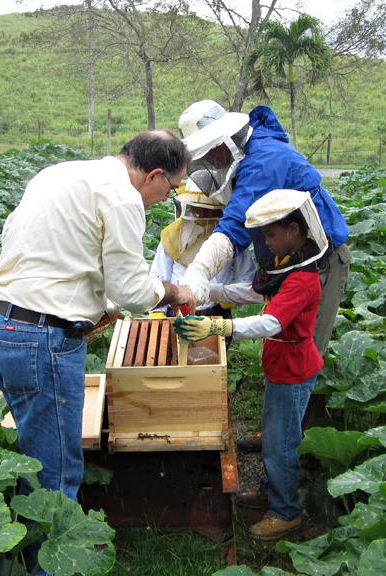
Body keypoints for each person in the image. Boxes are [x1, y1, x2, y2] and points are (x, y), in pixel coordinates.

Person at [0, 130, 195, 575]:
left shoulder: (61, 174)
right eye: (170, 189)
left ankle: (18, 553)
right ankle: (49, 567)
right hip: (43, 343)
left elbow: (56, 254)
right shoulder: (122, 199)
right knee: (56, 476)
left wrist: (100, 304)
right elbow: (134, 290)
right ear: (153, 175)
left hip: (0, 328)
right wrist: (171, 289)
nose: (164, 198)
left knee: (33, 458)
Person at [175, 100, 352, 453]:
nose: (211, 163)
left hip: (320, 265)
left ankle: (294, 450)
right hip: (288, 261)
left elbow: (234, 228)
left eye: (212, 154)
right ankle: (281, 433)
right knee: (289, 352)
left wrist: (197, 275)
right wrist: (212, 287)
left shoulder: (263, 161)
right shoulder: (254, 153)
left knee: (305, 355)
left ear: (227, 142)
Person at [174, 189, 327, 541]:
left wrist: (218, 326)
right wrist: (208, 292)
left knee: (280, 443)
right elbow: (251, 292)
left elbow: (270, 323)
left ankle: (286, 512)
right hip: (284, 367)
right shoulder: (288, 266)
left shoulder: (302, 279)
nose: (266, 243)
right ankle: (267, 490)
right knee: (276, 432)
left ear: (293, 230)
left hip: (293, 371)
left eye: (270, 235)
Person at [147, 169, 262, 326]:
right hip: (176, 312)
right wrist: (157, 312)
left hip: (216, 313)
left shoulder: (230, 235)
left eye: (208, 206)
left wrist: (226, 298)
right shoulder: (174, 233)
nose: (202, 212)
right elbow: (159, 275)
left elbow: (246, 275)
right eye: (198, 205)